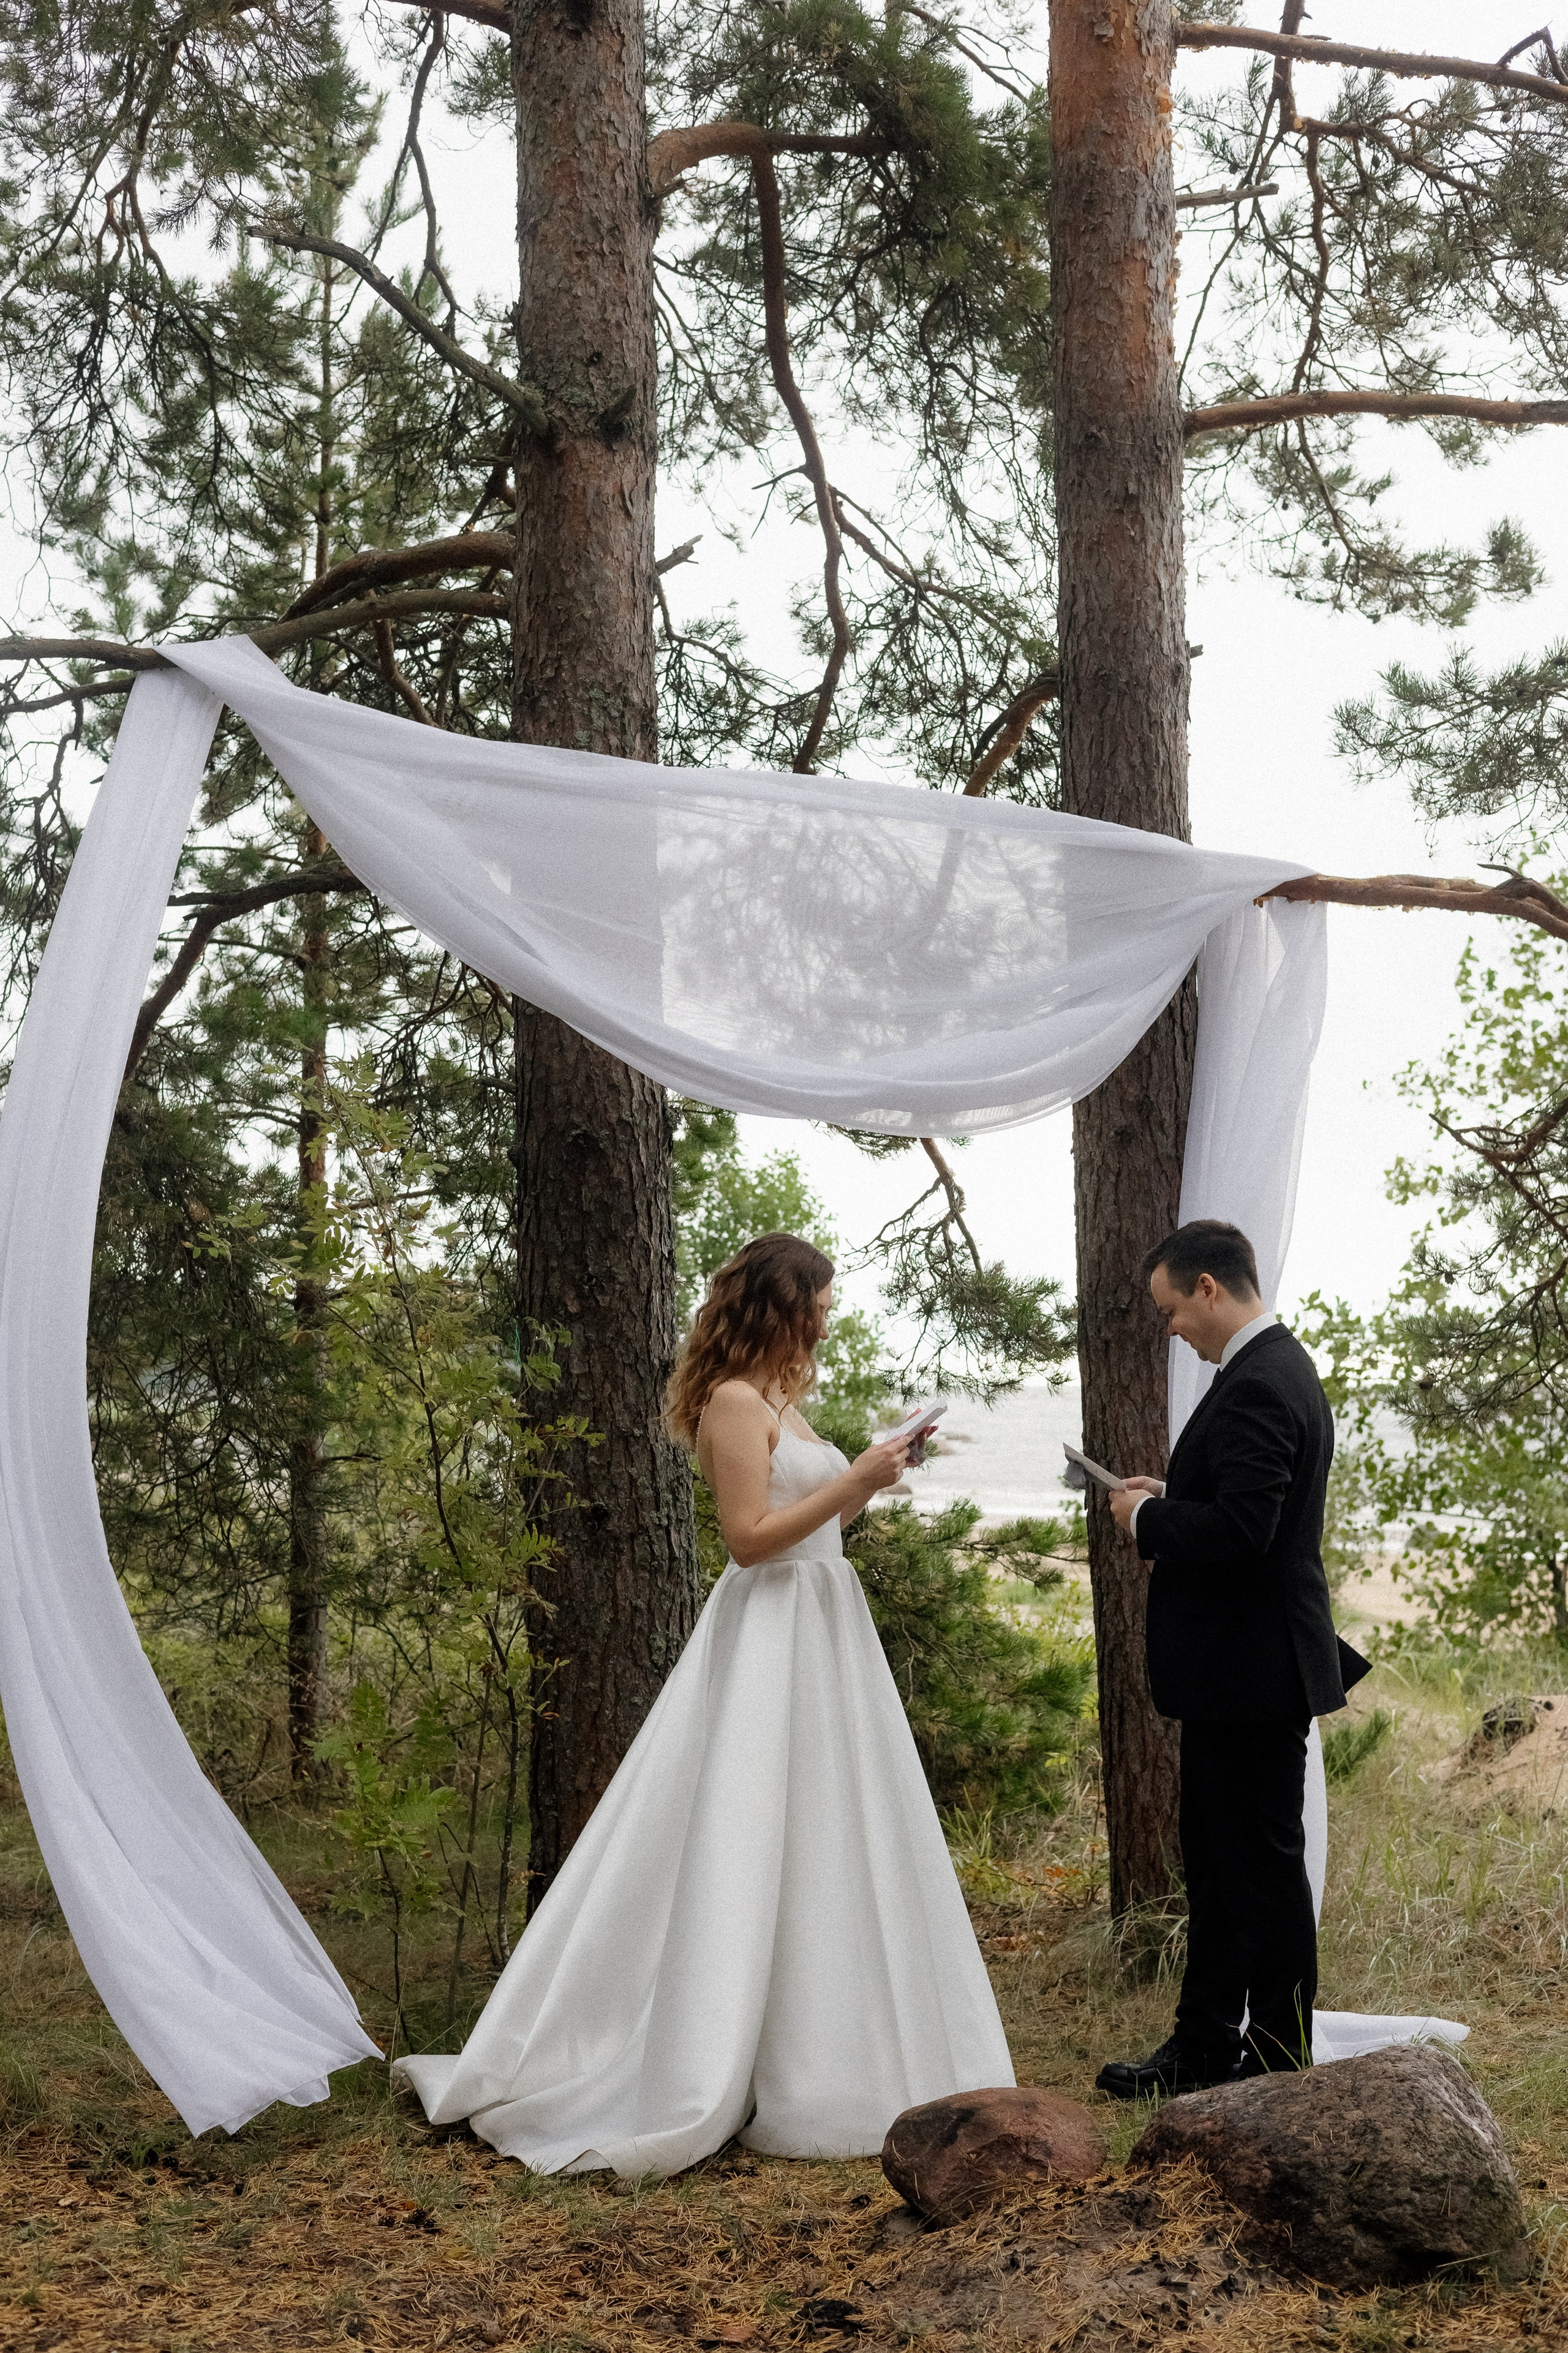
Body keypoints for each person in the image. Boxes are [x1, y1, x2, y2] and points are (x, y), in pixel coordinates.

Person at [394, 1231, 1013, 2173]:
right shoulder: (733, 1400)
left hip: (825, 1629)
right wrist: (852, 1479)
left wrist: (872, 1480)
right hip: (770, 1631)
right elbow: (748, 1539)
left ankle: (828, 2047)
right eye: (820, 1300)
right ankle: (708, 2051)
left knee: (826, 1832)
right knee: (751, 1827)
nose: (828, 1316)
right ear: (784, 1304)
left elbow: (818, 1522)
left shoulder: (783, 1404)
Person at [1095, 1218, 1368, 2101]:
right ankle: (1206, 2044)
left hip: (1252, 1674)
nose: (1172, 1329)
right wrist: (1173, 1494)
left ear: (1209, 1288)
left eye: (1173, 1310)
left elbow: (1249, 1532)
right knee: (1221, 1861)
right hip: (1241, 1672)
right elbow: (1257, 1503)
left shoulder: (1259, 1380)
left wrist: (1146, 1522)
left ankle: (1278, 2052)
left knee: (1260, 1865)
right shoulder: (1273, 1369)